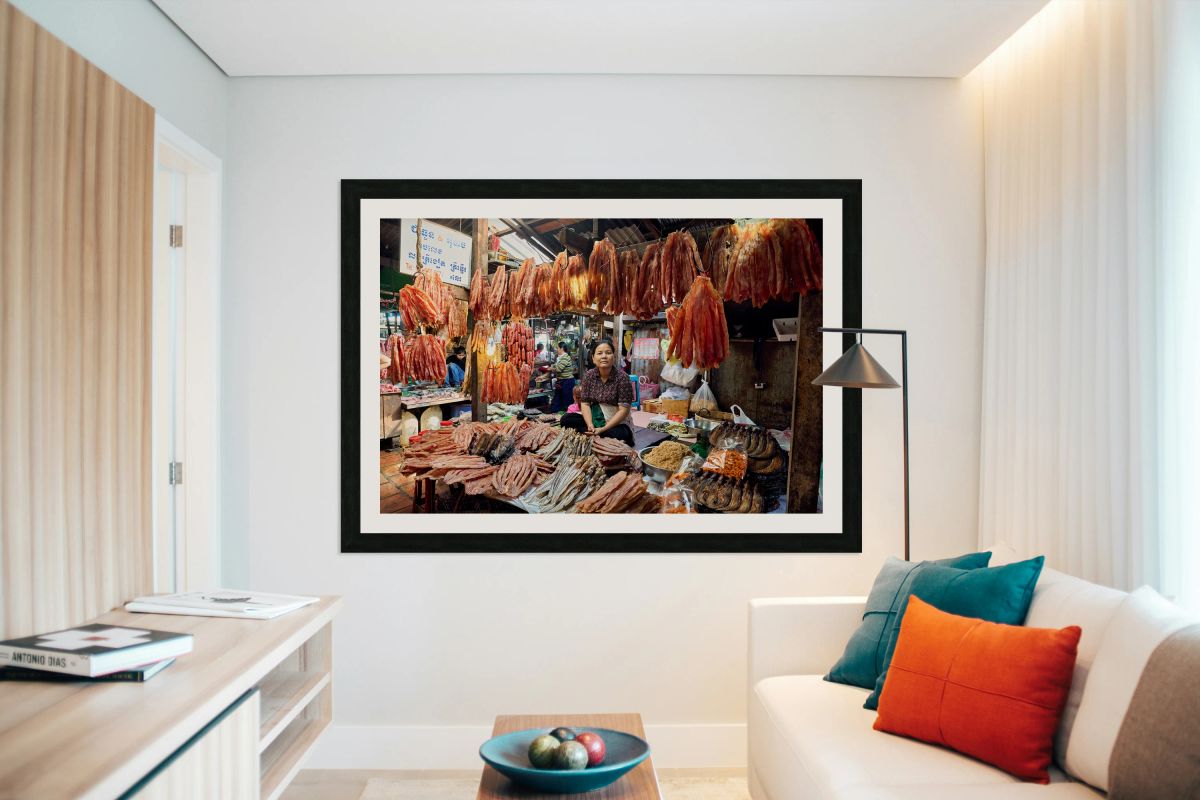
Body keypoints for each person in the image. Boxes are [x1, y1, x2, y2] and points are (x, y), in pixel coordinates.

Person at [559, 338, 635, 447]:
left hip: (616, 423)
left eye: (608, 353)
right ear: (593, 358)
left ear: (613, 357)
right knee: (566, 419)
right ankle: (594, 433)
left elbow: (623, 411)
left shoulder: (623, 378)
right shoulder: (589, 376)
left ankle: (598, 434)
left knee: (622, 434)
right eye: (599, 353)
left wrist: (603, 429)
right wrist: (590, 424)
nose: (604, 356)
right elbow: (585, 403)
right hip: (595, 419)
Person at [551, 340, 576, 412]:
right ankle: (556, 415)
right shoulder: (560, 357)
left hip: (567, 382)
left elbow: (558, 368)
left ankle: (567, 417)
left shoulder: (565, 357)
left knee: (566, 401)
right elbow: (556, 366)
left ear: (562, 348)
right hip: (561, 381)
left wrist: (551, 369)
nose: (557, 350)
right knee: (557, 400)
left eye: (558, 348)